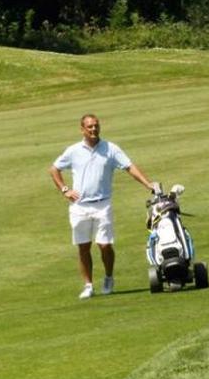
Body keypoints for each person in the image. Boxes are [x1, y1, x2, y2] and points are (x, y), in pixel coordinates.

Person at [49, 114, 154, 299]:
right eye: (89, 127)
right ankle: (88, 285)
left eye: (96, 126)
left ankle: (108, 277)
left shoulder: (110, 149)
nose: (93, 129)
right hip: (79, 206)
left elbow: (129, 167)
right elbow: (54, 169)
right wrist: (65, 189)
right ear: (82, 129)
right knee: (83, 247)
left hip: (102, 204)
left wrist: (148, 184)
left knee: (105, 245)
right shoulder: (73, 150)